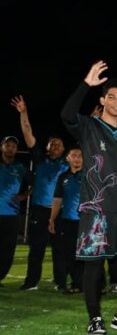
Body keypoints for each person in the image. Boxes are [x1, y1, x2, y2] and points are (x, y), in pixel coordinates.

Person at [61, 61, 117, 335]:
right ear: (102, 100)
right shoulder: (89, 127)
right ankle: (95, 318)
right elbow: (66, 114)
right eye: (111, 96)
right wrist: (86, 82)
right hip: (96, 211)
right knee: (94, 266)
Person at [11, 96, 68, 290]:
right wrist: (23, 112)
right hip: (39, 210)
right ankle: (31, 282)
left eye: (59, 144)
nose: (55, 147)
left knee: (60, 249)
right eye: (52, 144)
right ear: (47, 147)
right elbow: (27, 133)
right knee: (36, 248)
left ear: (64, 149)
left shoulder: (68, 164)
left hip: (59, 211)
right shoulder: (40, 159)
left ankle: (60, 282)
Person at [48, 146, 84, 294]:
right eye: (73, 155)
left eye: (80, 155)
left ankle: (81, 284)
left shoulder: (89, 175)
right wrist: (51, 219)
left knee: (84, 254)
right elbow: (57, 199)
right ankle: (65, 283)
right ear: (68, 158)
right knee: (67, 253)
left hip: (85, 222)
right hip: (67, 221)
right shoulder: (63, 177)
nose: (77, 158)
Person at [0, 135, 31, 286]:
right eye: (8, 145)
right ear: (2, 147)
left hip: (11, 215)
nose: (11, 148)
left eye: (13, 146)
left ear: (16, 149)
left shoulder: (21, 168)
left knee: (7, 250)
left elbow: (35, 184)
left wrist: (23, 195)